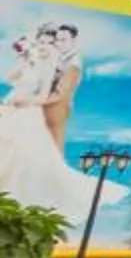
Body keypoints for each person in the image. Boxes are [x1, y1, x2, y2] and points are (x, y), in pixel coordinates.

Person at [0, 23, 99, 219]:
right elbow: (11, 78)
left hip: (28, 110)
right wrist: (24, 59)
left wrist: (24, 101)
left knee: (21, 154)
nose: (45, 45)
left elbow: (48, 95)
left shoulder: (58, 66)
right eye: (41, 42)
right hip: (11, 107)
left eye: (50, 42)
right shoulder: (33, 61)